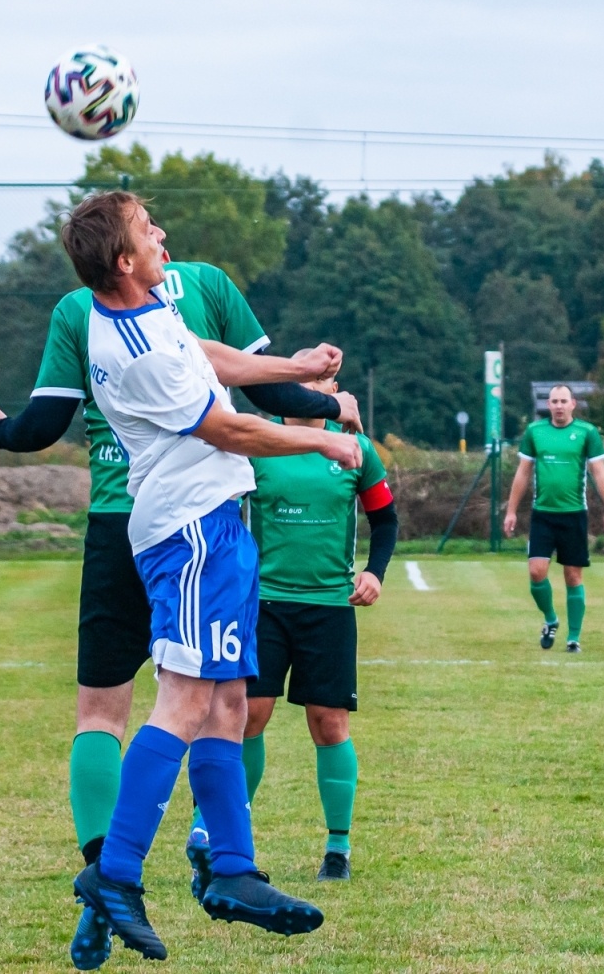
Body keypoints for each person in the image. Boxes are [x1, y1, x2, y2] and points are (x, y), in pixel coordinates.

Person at [0, 234, 358, 966]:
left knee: (228, 702)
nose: (162, 240)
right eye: (149, 232)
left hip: (204, 522)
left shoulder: (142, 312)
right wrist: (321, 437)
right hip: (193, 526)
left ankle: (233, 870)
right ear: (123, 259)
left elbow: (211, 358)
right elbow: (229, 424)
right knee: (182, 701)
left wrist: (298, 368)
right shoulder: (137, 336)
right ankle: (114, 875)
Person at [196, 376, 396, 885]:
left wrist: (374, 570)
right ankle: (214, 833)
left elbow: (385, 517)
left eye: (321, 382)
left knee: (328, 723)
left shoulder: (355, 449)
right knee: (248, 716)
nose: (311, 389)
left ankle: (338, 848)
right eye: (300, 381)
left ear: (334, 389)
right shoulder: (258, 444)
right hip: (262, 604)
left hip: (329, 606)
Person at [502, 385, 604, 652]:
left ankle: (573, 638)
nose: (558, 405)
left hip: (574, 515)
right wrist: (511, 511)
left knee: (573, 577)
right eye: (554, 401)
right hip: (543, 515)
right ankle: (551, 619)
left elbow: (599, 473)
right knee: (536, 571)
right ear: (549, 405)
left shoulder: (587, 433)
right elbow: (522, 473)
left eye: (563, 401)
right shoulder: (535, 432)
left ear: (572, 404)